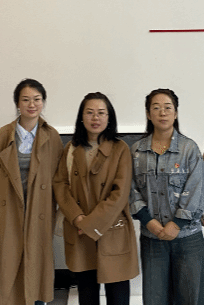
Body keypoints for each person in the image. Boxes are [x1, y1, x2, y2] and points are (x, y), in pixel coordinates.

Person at [53, 92, 139, 305]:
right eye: (90, 112)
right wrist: (77, 217)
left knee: (118, 296)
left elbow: (120, 194)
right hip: (80, 232)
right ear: (81, 117)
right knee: (87, 294)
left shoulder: (120, 149)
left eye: (101, 113)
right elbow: (60, 185)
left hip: (112, 231)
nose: (95, 118)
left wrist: (89, 224)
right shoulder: (71, 148)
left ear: (109, 117)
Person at [0, 79, 64, 305]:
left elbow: (59, 177)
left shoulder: (52, 136)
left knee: (35, 265)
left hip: (39, 211)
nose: (32, 104)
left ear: (43, 102)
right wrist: (6, 199)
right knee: (6, 266)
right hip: (8, 210)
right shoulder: (3, 135)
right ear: (17, 103)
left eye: (37, 99)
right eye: (26, 99)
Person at [130, 88, 204, 305]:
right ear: (148, 114)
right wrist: (149, 222)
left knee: (191, 297)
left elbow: (198, 189)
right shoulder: (137, 151)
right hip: (152, 238)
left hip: (187, 238)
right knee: (155, 298)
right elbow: (131, 190)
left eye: (168, 108)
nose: (162, 112)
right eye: (156, 108)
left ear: (175, 113)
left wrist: (177, 224)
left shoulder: (188, 148)